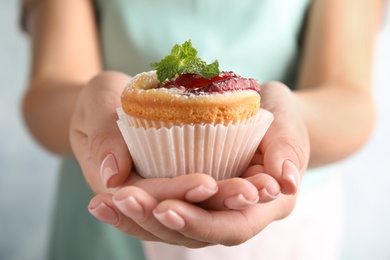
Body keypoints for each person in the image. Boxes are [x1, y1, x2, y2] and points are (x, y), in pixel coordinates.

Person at [20, 0, 383, 259]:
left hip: (273, 212)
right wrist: (92, 109)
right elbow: (48, 90)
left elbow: (349, 96)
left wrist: (288, 121)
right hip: (109, 201)